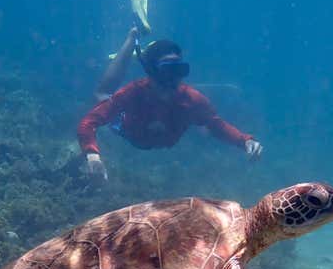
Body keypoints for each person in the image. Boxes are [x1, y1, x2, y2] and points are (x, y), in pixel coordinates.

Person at [78, 30, 263, 181]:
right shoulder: (133, 92)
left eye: (179, 71)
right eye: (168, 71)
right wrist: (92, 156)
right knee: (101, 96)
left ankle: (140, 49)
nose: (174, 80)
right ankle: (131, 39)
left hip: (164, 132)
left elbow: (216, 125)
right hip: (125, 130)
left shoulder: (191, 98)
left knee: (201, 119)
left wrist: (245, 140)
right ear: (151, 72)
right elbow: (88, 122)